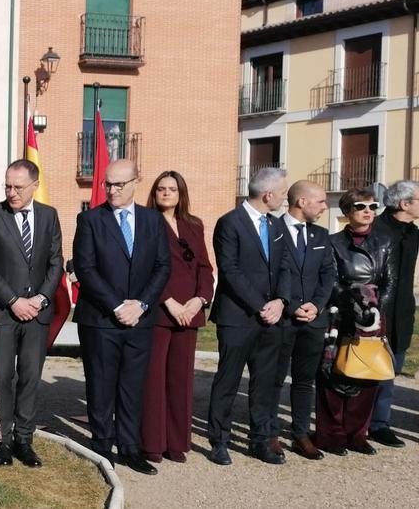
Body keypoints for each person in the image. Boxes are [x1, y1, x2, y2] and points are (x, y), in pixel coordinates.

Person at [72, 159, 170, 475]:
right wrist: (117, 306)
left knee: (132, 386)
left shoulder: (153, 221)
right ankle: (102, 448)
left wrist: (140, 304)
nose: (112, 190)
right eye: (108, 184)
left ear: (135, 183)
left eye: (119, 184)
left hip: (140, 320)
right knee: (101, 386)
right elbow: (85, 269)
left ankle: (130, 448)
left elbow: (162, 267)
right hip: (101, 320)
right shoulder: (89, 220)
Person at [0, 159, 63, 468]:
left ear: (35, 186)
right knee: (2, 377)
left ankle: (24, 440)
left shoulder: (50, 217)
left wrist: (39, 299)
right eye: (8, 186)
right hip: (3, 313)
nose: (12, 192)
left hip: (37, 314)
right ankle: (2, 440)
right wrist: (13, 300)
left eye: (18, 187)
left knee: (30, 378)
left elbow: (56, 262)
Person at [207, 166, 298, 466]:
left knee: (265, 383)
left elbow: (286, 266)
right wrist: (261, 305)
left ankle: (260, 440)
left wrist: (281, 301)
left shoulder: (276, 226)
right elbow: (229, 270)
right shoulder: (229, 223)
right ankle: (219, 440)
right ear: (268, 194)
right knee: (228, 381)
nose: (285, 199)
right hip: (238, 317)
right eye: (284, 194)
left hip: (272, 318)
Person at [315, 188, 398, 456]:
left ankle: (357, 434)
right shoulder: (333, 242)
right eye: (361, 206)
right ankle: (331, 434)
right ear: (347, 211)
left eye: (373, 207)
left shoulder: (385, 242)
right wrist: (354, 305)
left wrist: (374, 309)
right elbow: (332, 280)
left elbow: (390, 282)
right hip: (341, 315)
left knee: (368, 372)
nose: (367, 211)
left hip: (373, 318)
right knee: (334, 373)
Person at [140, 171, 214, 464]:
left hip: (190, 312)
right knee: (154, 378)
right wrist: (170, 303)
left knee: (181, 379)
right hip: (160, 310)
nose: (167, 193)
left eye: (172, 189)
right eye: (161, 189)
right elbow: (146, 268)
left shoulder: (194, 225)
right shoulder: (146, 223)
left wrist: (198, 300)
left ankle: (176, 442)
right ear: (154, 192)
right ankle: (153, 443)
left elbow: (205, 267)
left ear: (181, 193)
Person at [272, 180, 337, 460]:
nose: (325, 206)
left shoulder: (321, 235)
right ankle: (268, 433)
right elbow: (271, 273)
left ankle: (300, 433)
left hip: (313, 321)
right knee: (273, 379)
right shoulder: (271, 230)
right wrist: (293, 306)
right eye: (321, 201)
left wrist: (317, 306)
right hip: (282, 320)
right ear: (301, 202)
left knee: (304, 380)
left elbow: (328, 275)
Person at [368, 180, 419, 447]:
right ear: (404, 204)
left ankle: (380, 424)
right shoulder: (374, 229)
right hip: (374, 311)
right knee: (364, 369)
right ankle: (357, 422)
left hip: (402, 313)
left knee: (391, 370)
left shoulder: (414, 234)